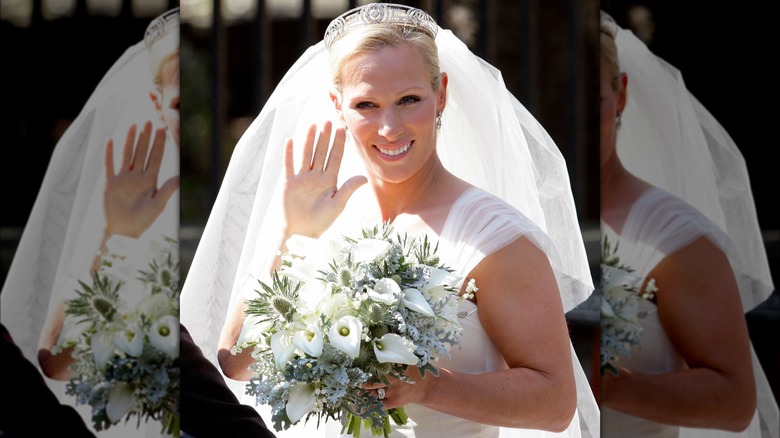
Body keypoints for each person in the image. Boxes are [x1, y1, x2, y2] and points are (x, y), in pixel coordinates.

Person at [180, 3, 598, 437]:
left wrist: (428, 387)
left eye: (409, 100)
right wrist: (291, 233)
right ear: (337, 106)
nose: (388, 128)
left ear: (442, 94)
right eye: (366, 104)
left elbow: (555, 404)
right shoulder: (320, 219)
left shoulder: (494, 238)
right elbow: (237, 362)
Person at [599, 12, 779, 438]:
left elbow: (734, 402)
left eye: (593, 97)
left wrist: (604, 384)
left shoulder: (674, 237)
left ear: (620, 95)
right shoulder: (515, 213)